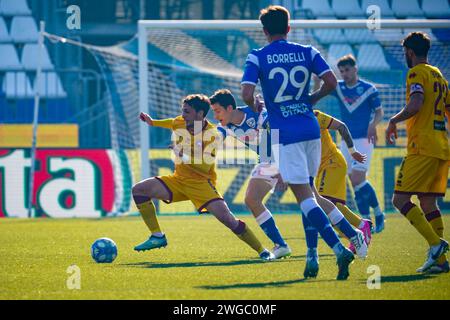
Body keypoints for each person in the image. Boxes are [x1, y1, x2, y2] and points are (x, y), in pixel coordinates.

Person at [240, 5, 355, 280]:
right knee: (312, 194)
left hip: (286, 133)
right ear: (289, 28)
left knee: (305, 198)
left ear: (265, 31)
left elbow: (245, 93)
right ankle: (327, 249)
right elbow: (330, 82)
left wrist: (254, 102)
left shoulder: (257, 56)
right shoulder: (308, 52)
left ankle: (340, 247)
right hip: (311, 129)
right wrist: (311, 100)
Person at [132, 94, 275, 261]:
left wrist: (182, 154)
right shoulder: (180, 122)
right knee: (139, 190)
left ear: (200, 114)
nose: (183, 115)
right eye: (182, 111)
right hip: (178, 180)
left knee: (229, 220)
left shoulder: (213, 134)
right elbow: (172, 122)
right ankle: (157, 236)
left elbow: (204, 166)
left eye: (187, 112)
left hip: (201, 185)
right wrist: (153, 122)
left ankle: (262, 251)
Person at [386, 32, 449, 274]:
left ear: (410, 52)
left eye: (405, 52)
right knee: (428, 201)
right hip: (442, 146)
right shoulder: (439, 76)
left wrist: (394, 120)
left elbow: (416, 103)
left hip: (422, 146)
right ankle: (441, 263)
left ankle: (435, 245)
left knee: (400, 200)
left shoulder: (416, 73)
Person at [210, 89, 292, 259]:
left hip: (290, 154)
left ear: (230, 108)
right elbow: (214, 141)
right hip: (268, 161)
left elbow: (282, 136)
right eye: (213, 112)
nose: (216, 116)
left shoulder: (258, 113)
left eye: (218, 111)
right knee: (251, 199)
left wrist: (283, 168)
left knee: (315, 200)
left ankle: (353, 231)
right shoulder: (226, 127)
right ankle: (281, 245)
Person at [332, 54, 385, 233]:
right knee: (354, 181)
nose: (344, 74)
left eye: (347, 70)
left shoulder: (369, 89)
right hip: (346, 140)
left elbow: (379, 112)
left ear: (355, 69)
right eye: (341, 71)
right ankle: (367, 220)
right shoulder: (338, 88)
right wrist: (317, 80)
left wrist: (373, 125)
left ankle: (377, 213)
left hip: (364, 139)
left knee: (357, 178)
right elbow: (320, 92)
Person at [313, 110, 373, 255]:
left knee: (323, 204)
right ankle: (361, 226)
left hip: (332, 163)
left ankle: (357, 232)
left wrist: (353, 151)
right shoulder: (288, 120)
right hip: (323, 167)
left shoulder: (315, 115)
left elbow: (342, 126)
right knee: (333, 206)